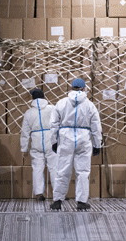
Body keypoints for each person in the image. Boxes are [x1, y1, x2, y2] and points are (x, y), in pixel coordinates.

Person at [49, 79, 102, 211]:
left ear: (72, 87)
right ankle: (81, 202)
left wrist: (54, 142)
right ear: (84, 88)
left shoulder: (61, 103)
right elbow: (96, 126)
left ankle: (57, 201)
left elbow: (53, 124)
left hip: (65, 138)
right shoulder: (90, 105)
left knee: (62, 170)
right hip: (83, 139)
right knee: (83, 172)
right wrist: (97, 144)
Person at [21, 88, 57, 201]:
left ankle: (39, 193)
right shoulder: (51, 108)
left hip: (36, 141)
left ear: (32, 98)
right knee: (54, 168)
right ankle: (57, 194)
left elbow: (25, 132)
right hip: (51, 140)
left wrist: (24, 148)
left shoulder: (29, 112)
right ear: (43, 96)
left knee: (37, 168)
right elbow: (58, 123)